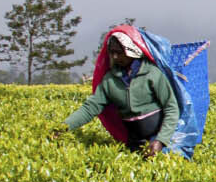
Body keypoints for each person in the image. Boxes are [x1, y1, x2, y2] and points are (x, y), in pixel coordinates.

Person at [58, 27, 180, 156]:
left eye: (119, 52)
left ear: (131, 50)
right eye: (112, 52)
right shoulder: (110, 80)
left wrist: (161, 140)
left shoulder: (151, 73)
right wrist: (64, 127)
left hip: (160, 140)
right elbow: (91, 107)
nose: (115, 57)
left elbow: (171, 107)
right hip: (133, 141)